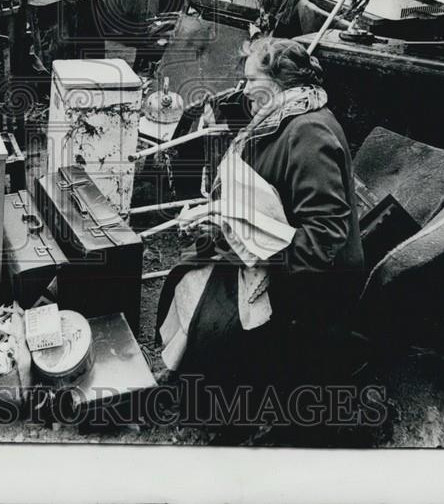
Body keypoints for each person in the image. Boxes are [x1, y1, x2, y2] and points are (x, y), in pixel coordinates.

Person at [156, 36, 364, 437]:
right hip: (276, 256)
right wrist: (219, 221)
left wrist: (236, 234)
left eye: (252, 80)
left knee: (213, 322)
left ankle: (232, 415)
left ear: (280, 82)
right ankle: (201, 386)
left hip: (311, 285)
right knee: (189, 272)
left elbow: (325, 242)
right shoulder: (281, 118)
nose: (244, 89)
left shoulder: (309, 134)